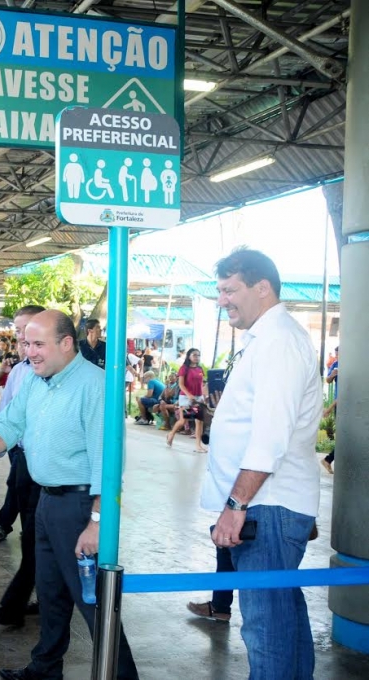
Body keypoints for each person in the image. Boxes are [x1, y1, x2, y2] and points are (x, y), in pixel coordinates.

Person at [0, 310, 140, 680]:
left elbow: (106, 462)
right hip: (46, 501)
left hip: (79, 506)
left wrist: (97, 523)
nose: (28, 351)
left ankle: (125, 675)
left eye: (37, 344)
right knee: (50, 594)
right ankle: (45, 669)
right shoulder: (35, 379)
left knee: (94, 601)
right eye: (25, 343)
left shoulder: (95, 386)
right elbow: (11, 422)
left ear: (66, 343)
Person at [203, 248, 321, 679]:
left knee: (267, 627)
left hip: (265, 507)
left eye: (229, 290)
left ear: (262, 288)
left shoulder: (278, 341)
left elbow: (270, 436)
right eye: (220, 291)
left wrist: (236, 506)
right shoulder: (269, 339)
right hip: (270, 504)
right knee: (283, 618)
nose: (223, 300)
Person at [0, 306, 46, 627]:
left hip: (46, 468)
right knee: (32, 536)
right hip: (22, 458)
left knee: (35, 537)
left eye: (27, 330)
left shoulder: (66, 376)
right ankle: (36, 601)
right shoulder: (21, 371)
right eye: (19, 331)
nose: (21, 338)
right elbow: (8, 417)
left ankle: (15, 606)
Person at [166, 348, 207, 453]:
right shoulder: (184, 368)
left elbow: (202, 384)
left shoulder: (200, 369)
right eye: (194, 355)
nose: (196, 357)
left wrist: (203, 396)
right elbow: (181, 384)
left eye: (198, 355)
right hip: (186, 397)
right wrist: (189, 395)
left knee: (199, 421)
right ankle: (171, 433)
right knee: (183, 420)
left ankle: (198, 445)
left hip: (198, 397)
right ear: (189, 356)